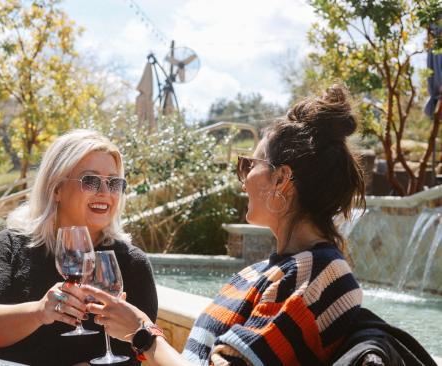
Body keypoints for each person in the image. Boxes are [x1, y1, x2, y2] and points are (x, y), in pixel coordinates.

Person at [82, 85, 366, 366]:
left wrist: (142, 334)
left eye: (248, 165)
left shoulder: (316, 278)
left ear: (281, 179)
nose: (242, 180)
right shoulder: (267, 272)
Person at [0, 129, 158, 365]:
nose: (104, 192)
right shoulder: (10, 245)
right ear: (56, 188)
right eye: (91, 181)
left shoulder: (132, 264)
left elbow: (139, 352)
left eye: (113, 183)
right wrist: (40, 312)